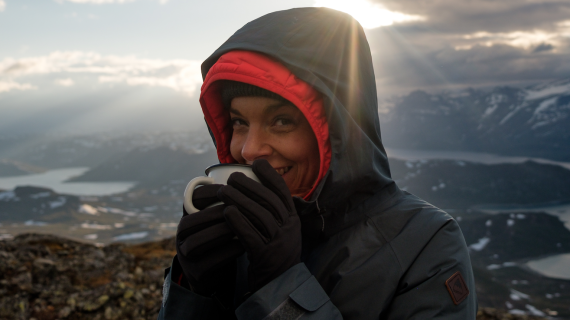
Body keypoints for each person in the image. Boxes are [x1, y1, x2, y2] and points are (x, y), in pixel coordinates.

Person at [158, 7, 477, 320]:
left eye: (282, 120)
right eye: (239, 122)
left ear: (339, 131)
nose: (249, 150)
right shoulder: (237, 233)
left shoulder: (427, 244)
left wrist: (279, 287)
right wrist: (196, 292)